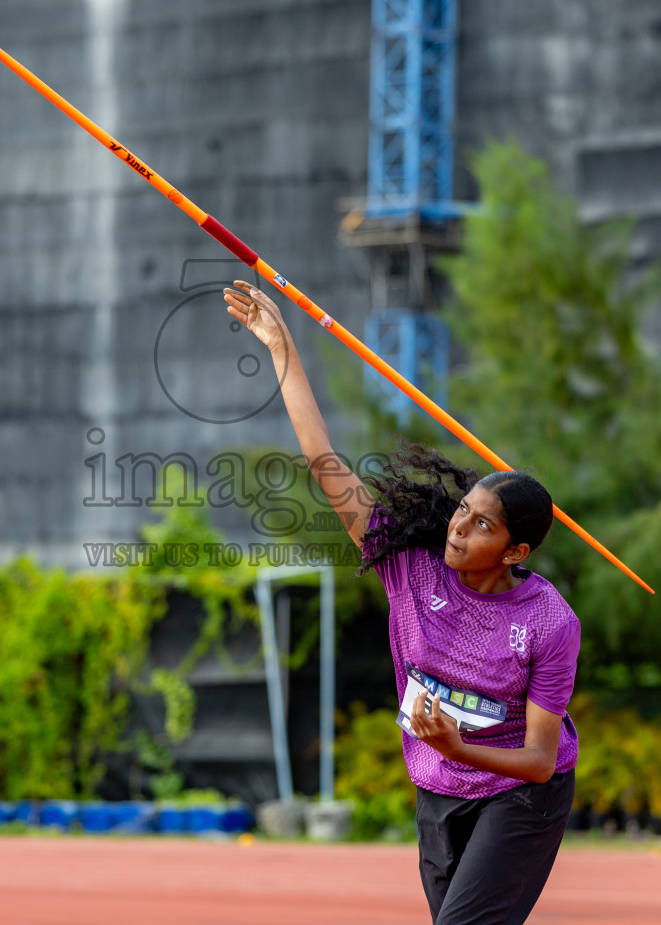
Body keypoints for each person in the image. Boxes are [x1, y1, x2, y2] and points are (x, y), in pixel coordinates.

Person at [224, 281, 581, 925]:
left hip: (519, 797)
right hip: (437, 791)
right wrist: (282, 349)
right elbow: (323, 460)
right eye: (463, 513)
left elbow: (536, 760)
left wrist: (456, 744)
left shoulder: (548, 623)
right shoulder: (406, 566)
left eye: (482, 527)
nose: (458, 528)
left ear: (515, 553)